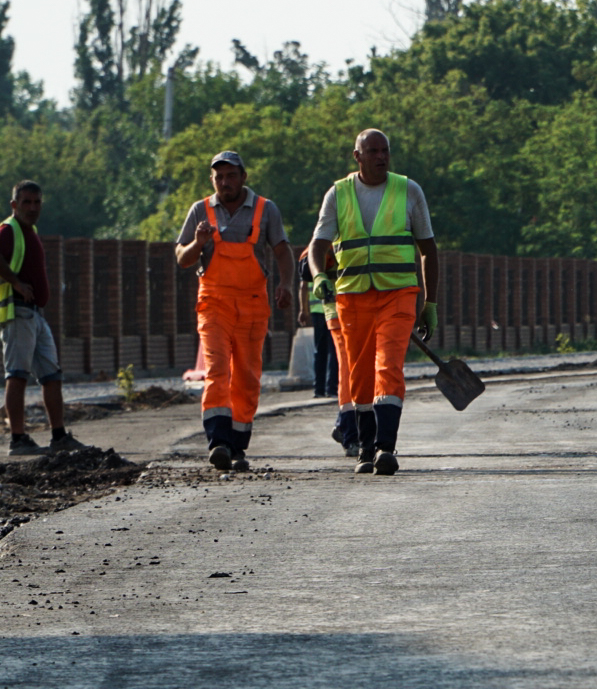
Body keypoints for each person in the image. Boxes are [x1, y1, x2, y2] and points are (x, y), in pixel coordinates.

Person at [307, 129, 439, 476]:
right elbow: (318, 245)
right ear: (358, 156)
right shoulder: (338, 193)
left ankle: (386, 447)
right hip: (353, 298)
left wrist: (431, 302)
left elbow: (428, 249)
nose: (381, 156)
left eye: (385, 150)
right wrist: (320, 275)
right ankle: (366, 448)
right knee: (360, 375)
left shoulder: (408, 190)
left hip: (398, 294)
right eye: (373, 151)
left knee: (389, 366)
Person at [175, 151, 295, 472]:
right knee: (217, 371)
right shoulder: (200, 210)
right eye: (218, 177)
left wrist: (286, 284)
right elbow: (182, 258)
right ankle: (218, 442)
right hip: (214, 303)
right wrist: (198, 243)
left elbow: (282, 249)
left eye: (230, 176)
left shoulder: (265, 209)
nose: (224, 183)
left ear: (243, 177)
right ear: (212, 180)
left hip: (254, 305)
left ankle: (238, 445)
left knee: (246, 377)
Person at [0, 180, 84, 457]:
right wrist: (16, 283)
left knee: (52, 375)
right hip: (18, 314)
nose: (32, 208)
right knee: (17, 375)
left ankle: (59, 436)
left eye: (37, 202)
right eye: (26, 202)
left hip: (35, 315)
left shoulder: (30, 231)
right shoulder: (9, 230)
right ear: (14, 205)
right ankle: (18, 439)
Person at [298, 249, 338, 399]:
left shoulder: (309, 256)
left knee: (319, 351)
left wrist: (303, 310)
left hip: (316, 312)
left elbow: (303, 286)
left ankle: (318, 389)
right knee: (334, 351)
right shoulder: (332, 253)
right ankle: (332, 388)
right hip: (332, 309)